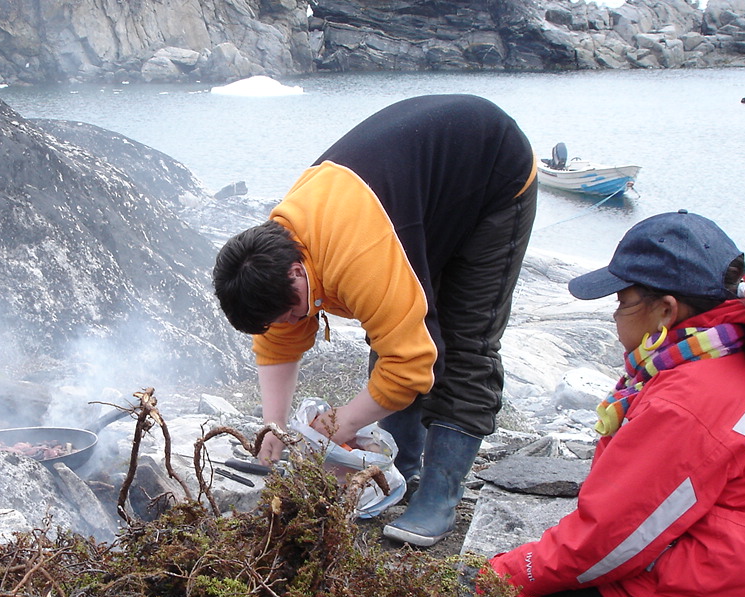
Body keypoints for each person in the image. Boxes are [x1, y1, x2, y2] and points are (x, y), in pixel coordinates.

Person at [488, 211, 745, 597]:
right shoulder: (734, 355)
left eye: (622, 301)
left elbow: (607, 543)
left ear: (665, 310)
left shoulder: (687, 399)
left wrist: (495, 578)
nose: (616, 314)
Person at [212, 95, 537, 546]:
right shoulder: (279, 249)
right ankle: (401, 465)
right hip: (415, 203)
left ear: (295, 270)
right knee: (395, 330)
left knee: (464, 344)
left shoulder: (356, 256)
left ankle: (440, 495)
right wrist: (275, 427)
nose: (291, 322)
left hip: (488, 174)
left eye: (291, 311)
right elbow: (279, 341)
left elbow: (409, 365)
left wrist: (338, 427)